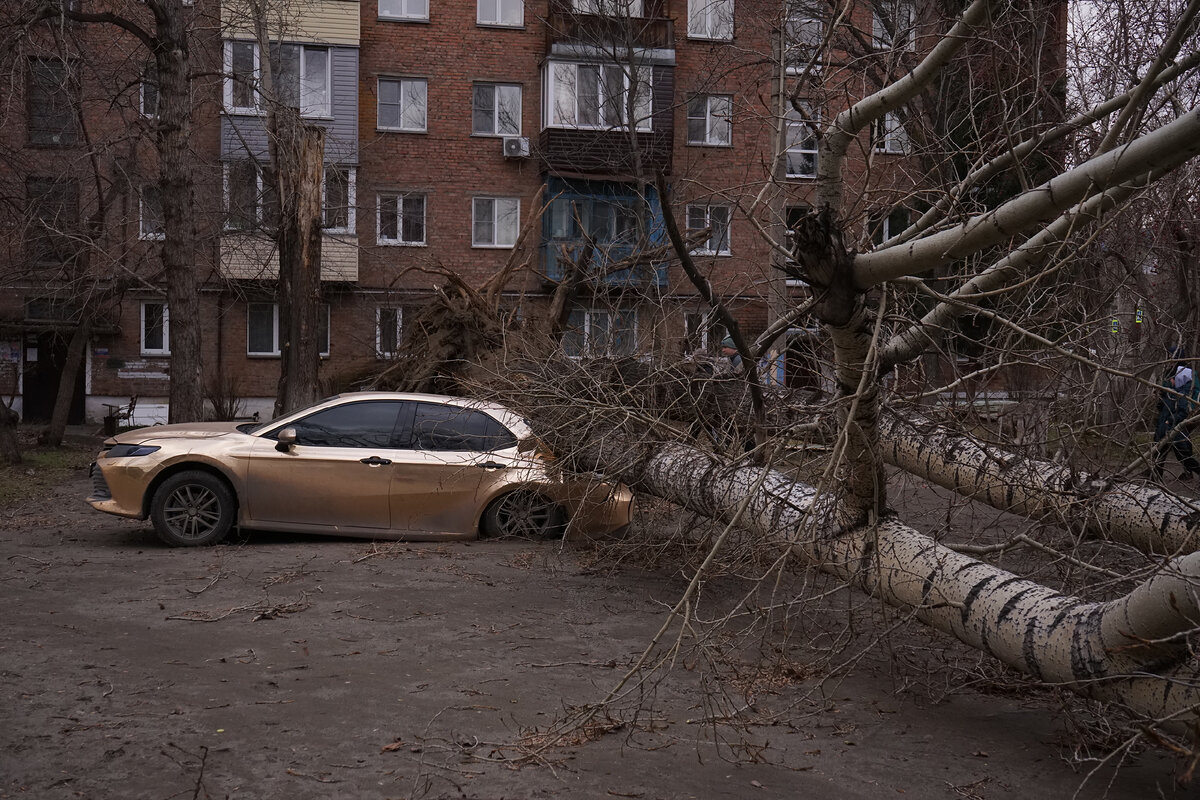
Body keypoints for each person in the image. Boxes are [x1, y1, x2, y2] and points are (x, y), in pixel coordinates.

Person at [1152, 345, 1200, 480]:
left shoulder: (1186, 374)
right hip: (1166, 416)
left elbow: (1186, 399)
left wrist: (1174, 418)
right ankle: (1155, 477)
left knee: (1182, 451)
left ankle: (1189, 472)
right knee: (1159, 448)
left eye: (1171, 356)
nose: (1169, 359)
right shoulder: (1170, 373)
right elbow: (1166, 397)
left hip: (1175, 418)